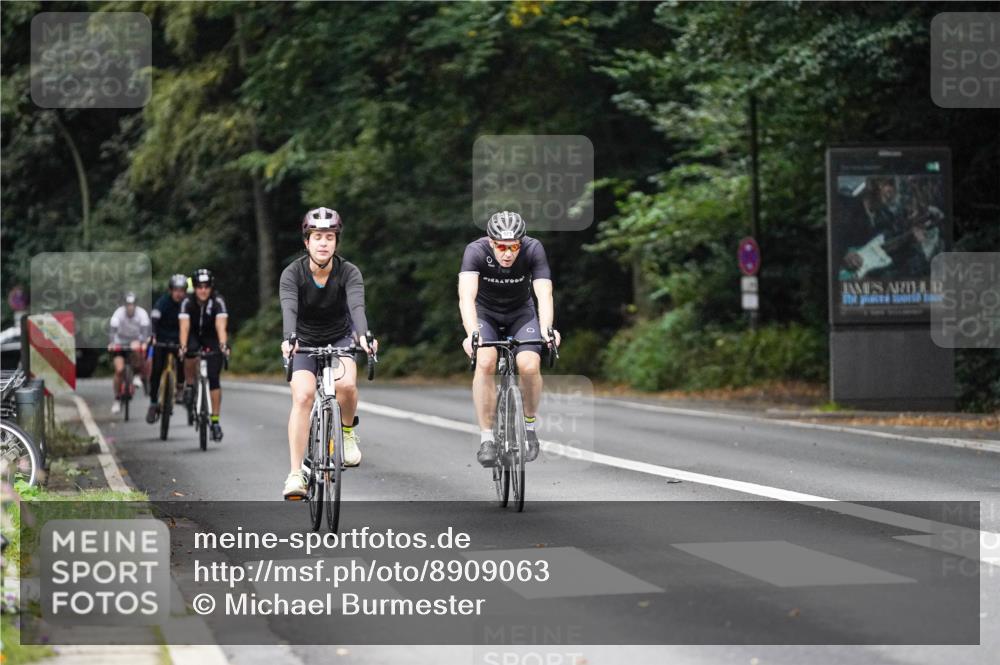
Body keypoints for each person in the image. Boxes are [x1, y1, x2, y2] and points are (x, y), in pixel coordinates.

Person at [280, 207, 376, 499]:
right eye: (318, 236)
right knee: (303, 396)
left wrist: (363, 336)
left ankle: (346, 434)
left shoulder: (348, 272)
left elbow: (357, 308)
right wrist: (289, 338)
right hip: (304, 340)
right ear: (307, 241)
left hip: (339, 338)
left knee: (346, 384)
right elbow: (289, 309)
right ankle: (296, 474)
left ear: (336, 242)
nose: (324, 243)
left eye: (330, 237)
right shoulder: (292, 273)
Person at [458, 211, 560, 467]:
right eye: (501, 246)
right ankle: (487, 438)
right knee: (485, 361)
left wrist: (547, 328)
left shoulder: (534, 249)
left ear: (521, 243)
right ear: (491, 242)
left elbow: (544, 294)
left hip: (520, 314)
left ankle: (529, 426)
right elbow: (466, 297)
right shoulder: (475, 251)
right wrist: (472, 334)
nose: (507, 253)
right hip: (486, 315)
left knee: (529, 365)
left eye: (513, 246)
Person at [178, 269, 229, 441]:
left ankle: (215, 421)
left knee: (214, 379)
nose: (203, 290)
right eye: (199, 287)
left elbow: (221, 327)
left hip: (211, 337)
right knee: (189, 354)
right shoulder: (187, 301)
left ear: (211, 287)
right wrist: (183, 346)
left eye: (207, 287)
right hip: (193, 335)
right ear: (195, 288)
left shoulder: (218, 301)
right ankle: (190, 385)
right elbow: (184, 327)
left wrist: (223, 345)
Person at [146, 274, 188, 424]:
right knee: (156, 370)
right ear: (170, 290)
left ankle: (180, 388)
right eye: (176, 290)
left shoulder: (187, 304)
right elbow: (155, 318)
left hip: (179, 340)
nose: (179, 293)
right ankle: (152, 403)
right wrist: (153, 336)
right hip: (162, 340)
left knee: (183, 359)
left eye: (182, 290)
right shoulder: (163, 302)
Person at [107, 292, 151, 414]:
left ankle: (137, 375)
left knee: (139, 350)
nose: (130, 307)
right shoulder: (118, 313)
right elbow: (112, 330)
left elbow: (145, 331)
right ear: (124, 305)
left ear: (135, 305)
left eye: (132, 305)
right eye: (128, 305)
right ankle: (117, 399)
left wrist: (142, 342)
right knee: (119, 370)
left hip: (135, 340)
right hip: (120, 341)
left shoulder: (141, 314)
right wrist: (112, 343)